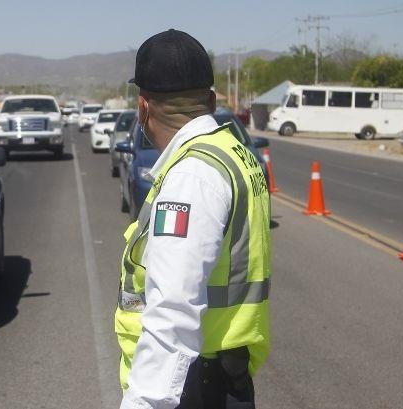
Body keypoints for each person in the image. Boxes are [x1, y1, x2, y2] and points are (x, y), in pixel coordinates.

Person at [115, 29, 272, 409]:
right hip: (223, 374)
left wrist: (143, 403)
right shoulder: (233, 151)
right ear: (211, 100)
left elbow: (173, 308)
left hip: (192, 386)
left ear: (143, 108)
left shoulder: (191, 177)